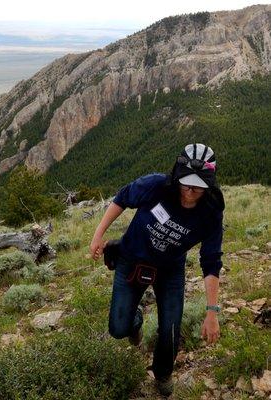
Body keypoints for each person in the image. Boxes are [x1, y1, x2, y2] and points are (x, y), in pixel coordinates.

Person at [89, 143, 224, 397]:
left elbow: (211, 260)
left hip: (170, 270)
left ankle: (162, 374)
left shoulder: (210, 212)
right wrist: (99, 235)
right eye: (186, 182)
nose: (190, 191)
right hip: (131, 259)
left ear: (209, 184)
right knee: (119, 329)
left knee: (170, 331)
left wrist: (212, 311)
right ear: (177, 176)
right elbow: (123, 198)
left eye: (198, 185)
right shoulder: (155, 185)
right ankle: (135, 318)